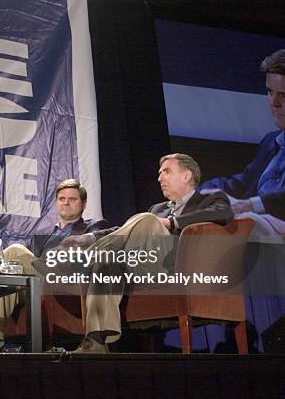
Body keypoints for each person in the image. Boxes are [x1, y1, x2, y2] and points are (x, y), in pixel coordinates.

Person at [70, 153, 234, 353]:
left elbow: (223, 214)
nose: (159, 178)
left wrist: (172, 222)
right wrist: (87, 238)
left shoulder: (212, 199)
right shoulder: (158, 208)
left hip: (176, 270)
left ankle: (78, 261)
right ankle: (96, 341)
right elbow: (123, 230)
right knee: (107, 265)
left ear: (187, 175)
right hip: (144, 267)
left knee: (147, 220)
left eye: (166, 171)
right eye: (159, 173)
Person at [0, 179, 115, 352]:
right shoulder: (43, 235)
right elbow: (22, 256)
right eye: (61, 199)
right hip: (36, 283)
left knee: (15, 250)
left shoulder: (93, 226)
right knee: (6, 278)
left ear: (84, 204)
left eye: (72, 199)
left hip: (64, 281)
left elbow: (108, 239)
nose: (66, 202)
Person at [200, 49, 284, 240]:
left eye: (283, 95)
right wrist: (199, 193)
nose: (274, 102)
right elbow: (241, 183)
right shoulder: (271, 142)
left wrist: (251, 205)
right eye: (270, 92)